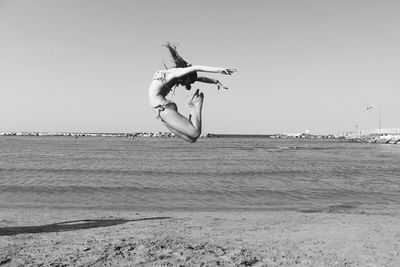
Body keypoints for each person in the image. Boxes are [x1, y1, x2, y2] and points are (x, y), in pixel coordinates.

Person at [148, 43, 236, 143]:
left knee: (195, 133)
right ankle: (194, 105)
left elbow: (197, 69)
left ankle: (196, 105)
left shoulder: (174, 73)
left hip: (163, 108)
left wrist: (219, 71)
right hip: (161, 110)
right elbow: (198, 74)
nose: (190, 65)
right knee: (192, 139)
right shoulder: (174, 73)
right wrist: (215, 79)